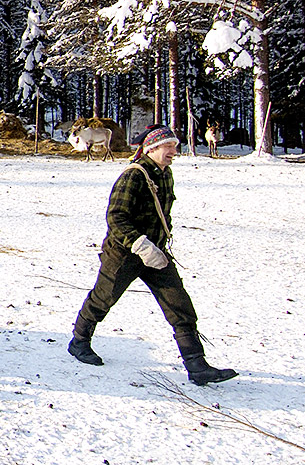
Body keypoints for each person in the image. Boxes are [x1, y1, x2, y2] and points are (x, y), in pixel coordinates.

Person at [68, 124, 238, 385]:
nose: (173, 152)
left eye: (174, 146)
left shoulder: (165, 173)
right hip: (124, 254)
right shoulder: (134, 176)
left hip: (156, 253)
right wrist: (140, 245)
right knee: (103, 298)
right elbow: (116, 217)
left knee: (179, 303)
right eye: (167, 146)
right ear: (151, 149)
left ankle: (197, 364)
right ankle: (79, 341)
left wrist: (157, 244)